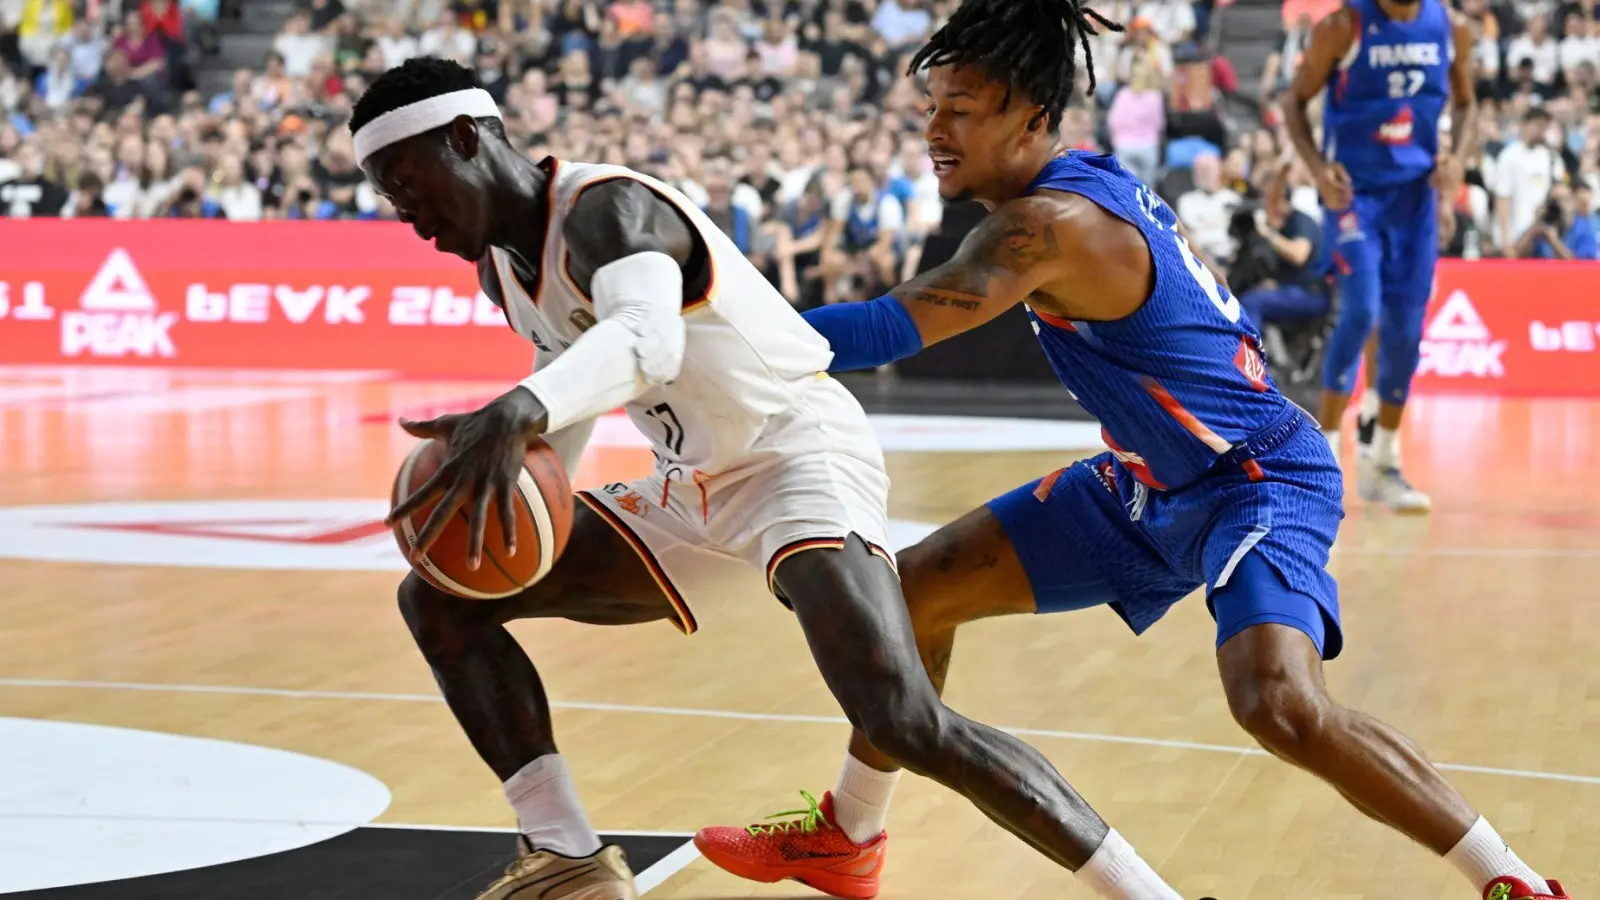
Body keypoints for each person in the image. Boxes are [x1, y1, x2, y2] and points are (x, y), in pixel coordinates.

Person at [691, 1, 1570, 899]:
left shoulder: (1050, 226)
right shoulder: (1072, 187)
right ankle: (850, 835)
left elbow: (884, 326)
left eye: (961, 108)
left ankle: (1515, 882)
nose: (935, 128)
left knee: (1279, 704)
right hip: (1147, 485)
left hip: (1257, 476)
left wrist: (701, 325)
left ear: (1031, 114)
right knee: (912, 595)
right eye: (931, 106)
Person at [356, 57, 1164, 900]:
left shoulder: (608, 209)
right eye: (391, 201)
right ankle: (567, 860)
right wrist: (528, 495)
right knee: (441, 598)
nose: (409, 219)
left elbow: (645, 341)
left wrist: (515, 410)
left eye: (409, 188)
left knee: (900, 716)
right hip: (692, 484)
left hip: (795, 453)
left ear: (463, 138)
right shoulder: (502, 268)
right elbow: (575, 378)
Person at [1282, 0, 1478, 514]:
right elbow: (1294, 103)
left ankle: (1382, 461)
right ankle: (1320, 453)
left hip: (1416, 196)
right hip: (1355, 195)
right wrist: (1318, 171)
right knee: (1363, 309)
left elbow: (1467, 104)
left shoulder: (1451, 28)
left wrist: (1456, 159)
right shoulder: (1343, 26)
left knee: (1407, 331)